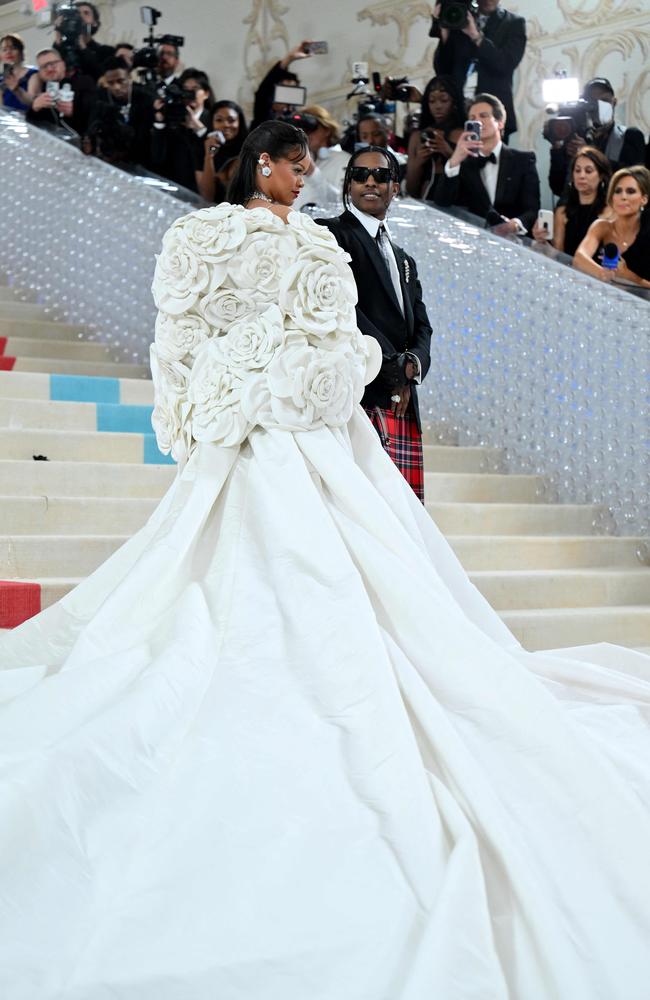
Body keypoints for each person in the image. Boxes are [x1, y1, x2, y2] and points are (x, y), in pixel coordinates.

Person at [1, 119, 650, 999]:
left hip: (314, 429)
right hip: (250, 434)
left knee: (351, 571)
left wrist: (330, 365)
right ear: (260, 164)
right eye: (297, 164)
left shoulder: (315, 242)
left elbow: (335, 342)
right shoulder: (202, 234)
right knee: (224, 574)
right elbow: (180, 334)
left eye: (313, 166)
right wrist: (213, 402)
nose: (310, 177)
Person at [317, 146, 432, 500]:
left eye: (381, 175)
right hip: (358, 390)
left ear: (394, 187)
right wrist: (391, 367)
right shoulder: (329, 235)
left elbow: (423, 327)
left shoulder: (405, 259)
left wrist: (412, 365)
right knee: (359, 510)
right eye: (360, 175)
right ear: (348, 184)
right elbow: (343, 309)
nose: (370, 181)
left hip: (401, 395)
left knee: (401, 513)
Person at [434, 92, 540, 235]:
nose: (478, 122)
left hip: (513, 242)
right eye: (472, 119)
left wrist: (515, 225)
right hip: (470, 241)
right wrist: (454, 159)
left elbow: (532, 209)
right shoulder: (461, 163)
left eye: (483, 116)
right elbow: (442, 203)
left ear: (500, 122)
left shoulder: (523, 160)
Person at [430, 0, 526, 139]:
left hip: (493, 113)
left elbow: (505, 64)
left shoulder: (513, 23)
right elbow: (442, 71)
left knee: (492, 159)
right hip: (458, 113)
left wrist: (476, 36)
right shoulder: (460, 18)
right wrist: (444, 30)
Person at [549, 78, 646, 199]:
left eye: (604, 101)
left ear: (614, 102)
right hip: (581, 212)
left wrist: (590, 154)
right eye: (593, 102)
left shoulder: (630, 136)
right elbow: (558, 187)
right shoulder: (575, 137)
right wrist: (557, 148)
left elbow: (637, 179)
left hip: (615, 211)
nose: (599, 107)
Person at [573, 164, 650, 286]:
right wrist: (603, 273)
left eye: (630, 191)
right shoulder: (601, 227)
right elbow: (579, 258)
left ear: (644, 199)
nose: (623, 197)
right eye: (618, 191)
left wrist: (628, 275)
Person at [532, 146, 611, 256]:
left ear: (601, 176)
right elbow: (558, 255)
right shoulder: (562, 212)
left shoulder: (610, 211)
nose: (581, 176)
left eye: (588, 171)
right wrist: (542, 242)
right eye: (577, 170)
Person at [150, 68, 213, 193]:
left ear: (206, 93)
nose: (189, 93)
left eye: (194, 89)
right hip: (172, 185)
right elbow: (157, 156)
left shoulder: (213, 119)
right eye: (185, 89)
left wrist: (198, 127)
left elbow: (214, 154)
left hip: (199, 189)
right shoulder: (173, 116)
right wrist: (160, 120)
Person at [406, 74, 465, 200]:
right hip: (426, 198)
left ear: (454, 102)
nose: (437, 106)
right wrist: (418, 162)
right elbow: (410, 190)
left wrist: (448, 152)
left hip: (460, 200)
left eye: (444, 100)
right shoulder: (417, 136)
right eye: (432, 101)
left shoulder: (464, 136)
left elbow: (474, 180)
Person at [91, 56, 155, 166]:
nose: (116, 87)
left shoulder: (146, 98)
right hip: (108, 159)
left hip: (140, 160)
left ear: (130, 78)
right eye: (111, 83)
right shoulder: (101, 97)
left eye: (121, 81)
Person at [26, 47, 97, 138]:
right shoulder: (41, 92)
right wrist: (34, 108)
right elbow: (32, 128)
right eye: (44, 67)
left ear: (63, 64)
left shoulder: (83, 82)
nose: (49, 69)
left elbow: (95, 113)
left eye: (53, 64)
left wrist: (74, 111)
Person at [250, 39, 314, 130]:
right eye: (284, 90)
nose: (287, 97)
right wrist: (289, 58)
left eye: (293, 91)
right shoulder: (264, 116)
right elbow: (264, 91)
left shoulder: (299, 120)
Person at [198, 100, 249, 203]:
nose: (225, 125)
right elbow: (207, 196)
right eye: (219, 120)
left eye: (231, 120)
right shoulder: (201, 146)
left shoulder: (249, 149)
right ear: (211, 123)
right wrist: (209, 156)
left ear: (239, 122)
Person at [53, 1, 115, 81]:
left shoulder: (106, 51)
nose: (80, 17)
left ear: (95, 23)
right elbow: (52, 71)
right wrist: (58, 33)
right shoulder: (64, 49)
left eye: (86, 13)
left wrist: (82, 45)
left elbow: (101, 76)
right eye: (77, 13)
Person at [0, 33, 36, 112]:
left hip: (29, 121)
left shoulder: (33, 73)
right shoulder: (1, 79)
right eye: (4, 50)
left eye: (13, 48)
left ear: (21, 52)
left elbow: (34, 103)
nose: (8, 52)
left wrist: (17, 90)